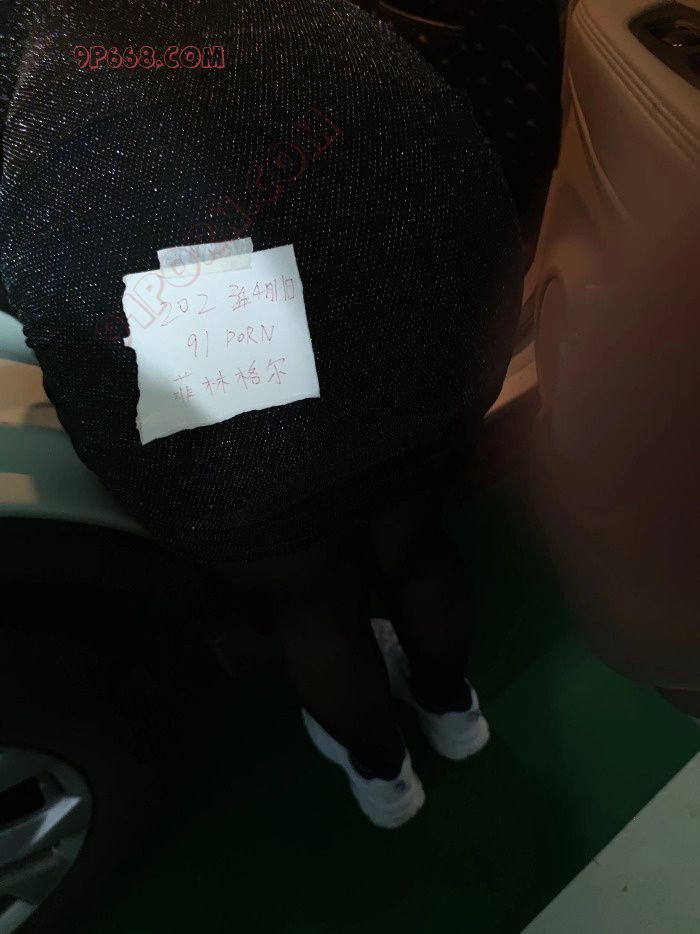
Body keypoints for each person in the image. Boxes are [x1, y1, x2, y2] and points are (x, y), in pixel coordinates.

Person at [0, 0, 522, 828]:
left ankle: (384, 781)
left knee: (314, 605)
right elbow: (463, 186)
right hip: (403, 326)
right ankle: (454, 713)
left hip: (204, 326)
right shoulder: (326, 28)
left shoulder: (43, 69)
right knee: (419, 544)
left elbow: (53, 304)